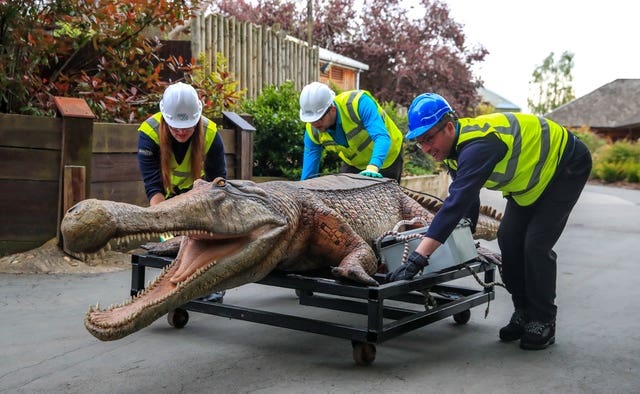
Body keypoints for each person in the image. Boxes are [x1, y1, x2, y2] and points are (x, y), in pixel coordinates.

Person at [386, 93, 592, 350]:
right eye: (420, 142)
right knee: (508, 239)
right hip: (532, 182)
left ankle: (543, 320)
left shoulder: (478, 145)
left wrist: (418, 258)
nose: (426, 148)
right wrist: (467, 240)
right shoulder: (453, 151)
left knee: (535, 245)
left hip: (566, 165)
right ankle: (524, 311)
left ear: (449, 127)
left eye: (429, 138)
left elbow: (455, 204)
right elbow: (468, 202)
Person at [137, 81, 227, 303]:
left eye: (187, 125)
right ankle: (175, 281)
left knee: (205, 240)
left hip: (201, 196)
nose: (181, 130)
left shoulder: (210, 134)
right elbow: (153, 188)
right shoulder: (149, 133)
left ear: (197, 118)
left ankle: (213, 282)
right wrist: (168, 231)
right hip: (166, 199)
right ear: (164, 118)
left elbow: (219, 184)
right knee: (172, 244)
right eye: (174, 125)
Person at [298, 82, 404, 182]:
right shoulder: (313, 131)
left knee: (385, 198)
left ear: (333, 109)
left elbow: (382, 137)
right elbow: (309, 171)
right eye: (311, 121)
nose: (315, 124)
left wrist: (373, 167)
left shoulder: (359, 103)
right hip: (355, 164)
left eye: (319, 119)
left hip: (388, 156)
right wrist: (303, 190)